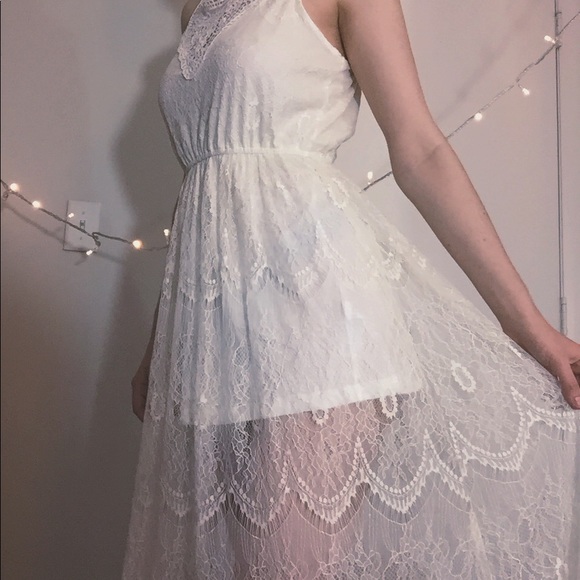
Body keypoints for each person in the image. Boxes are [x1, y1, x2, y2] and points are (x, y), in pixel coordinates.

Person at [123, 0, 580, 577]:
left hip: (317, 316)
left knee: (281, 565)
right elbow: (203, 191)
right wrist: (160, 344)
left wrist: (528, 327)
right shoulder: (196, 10)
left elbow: (420, 149)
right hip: (217, 345)